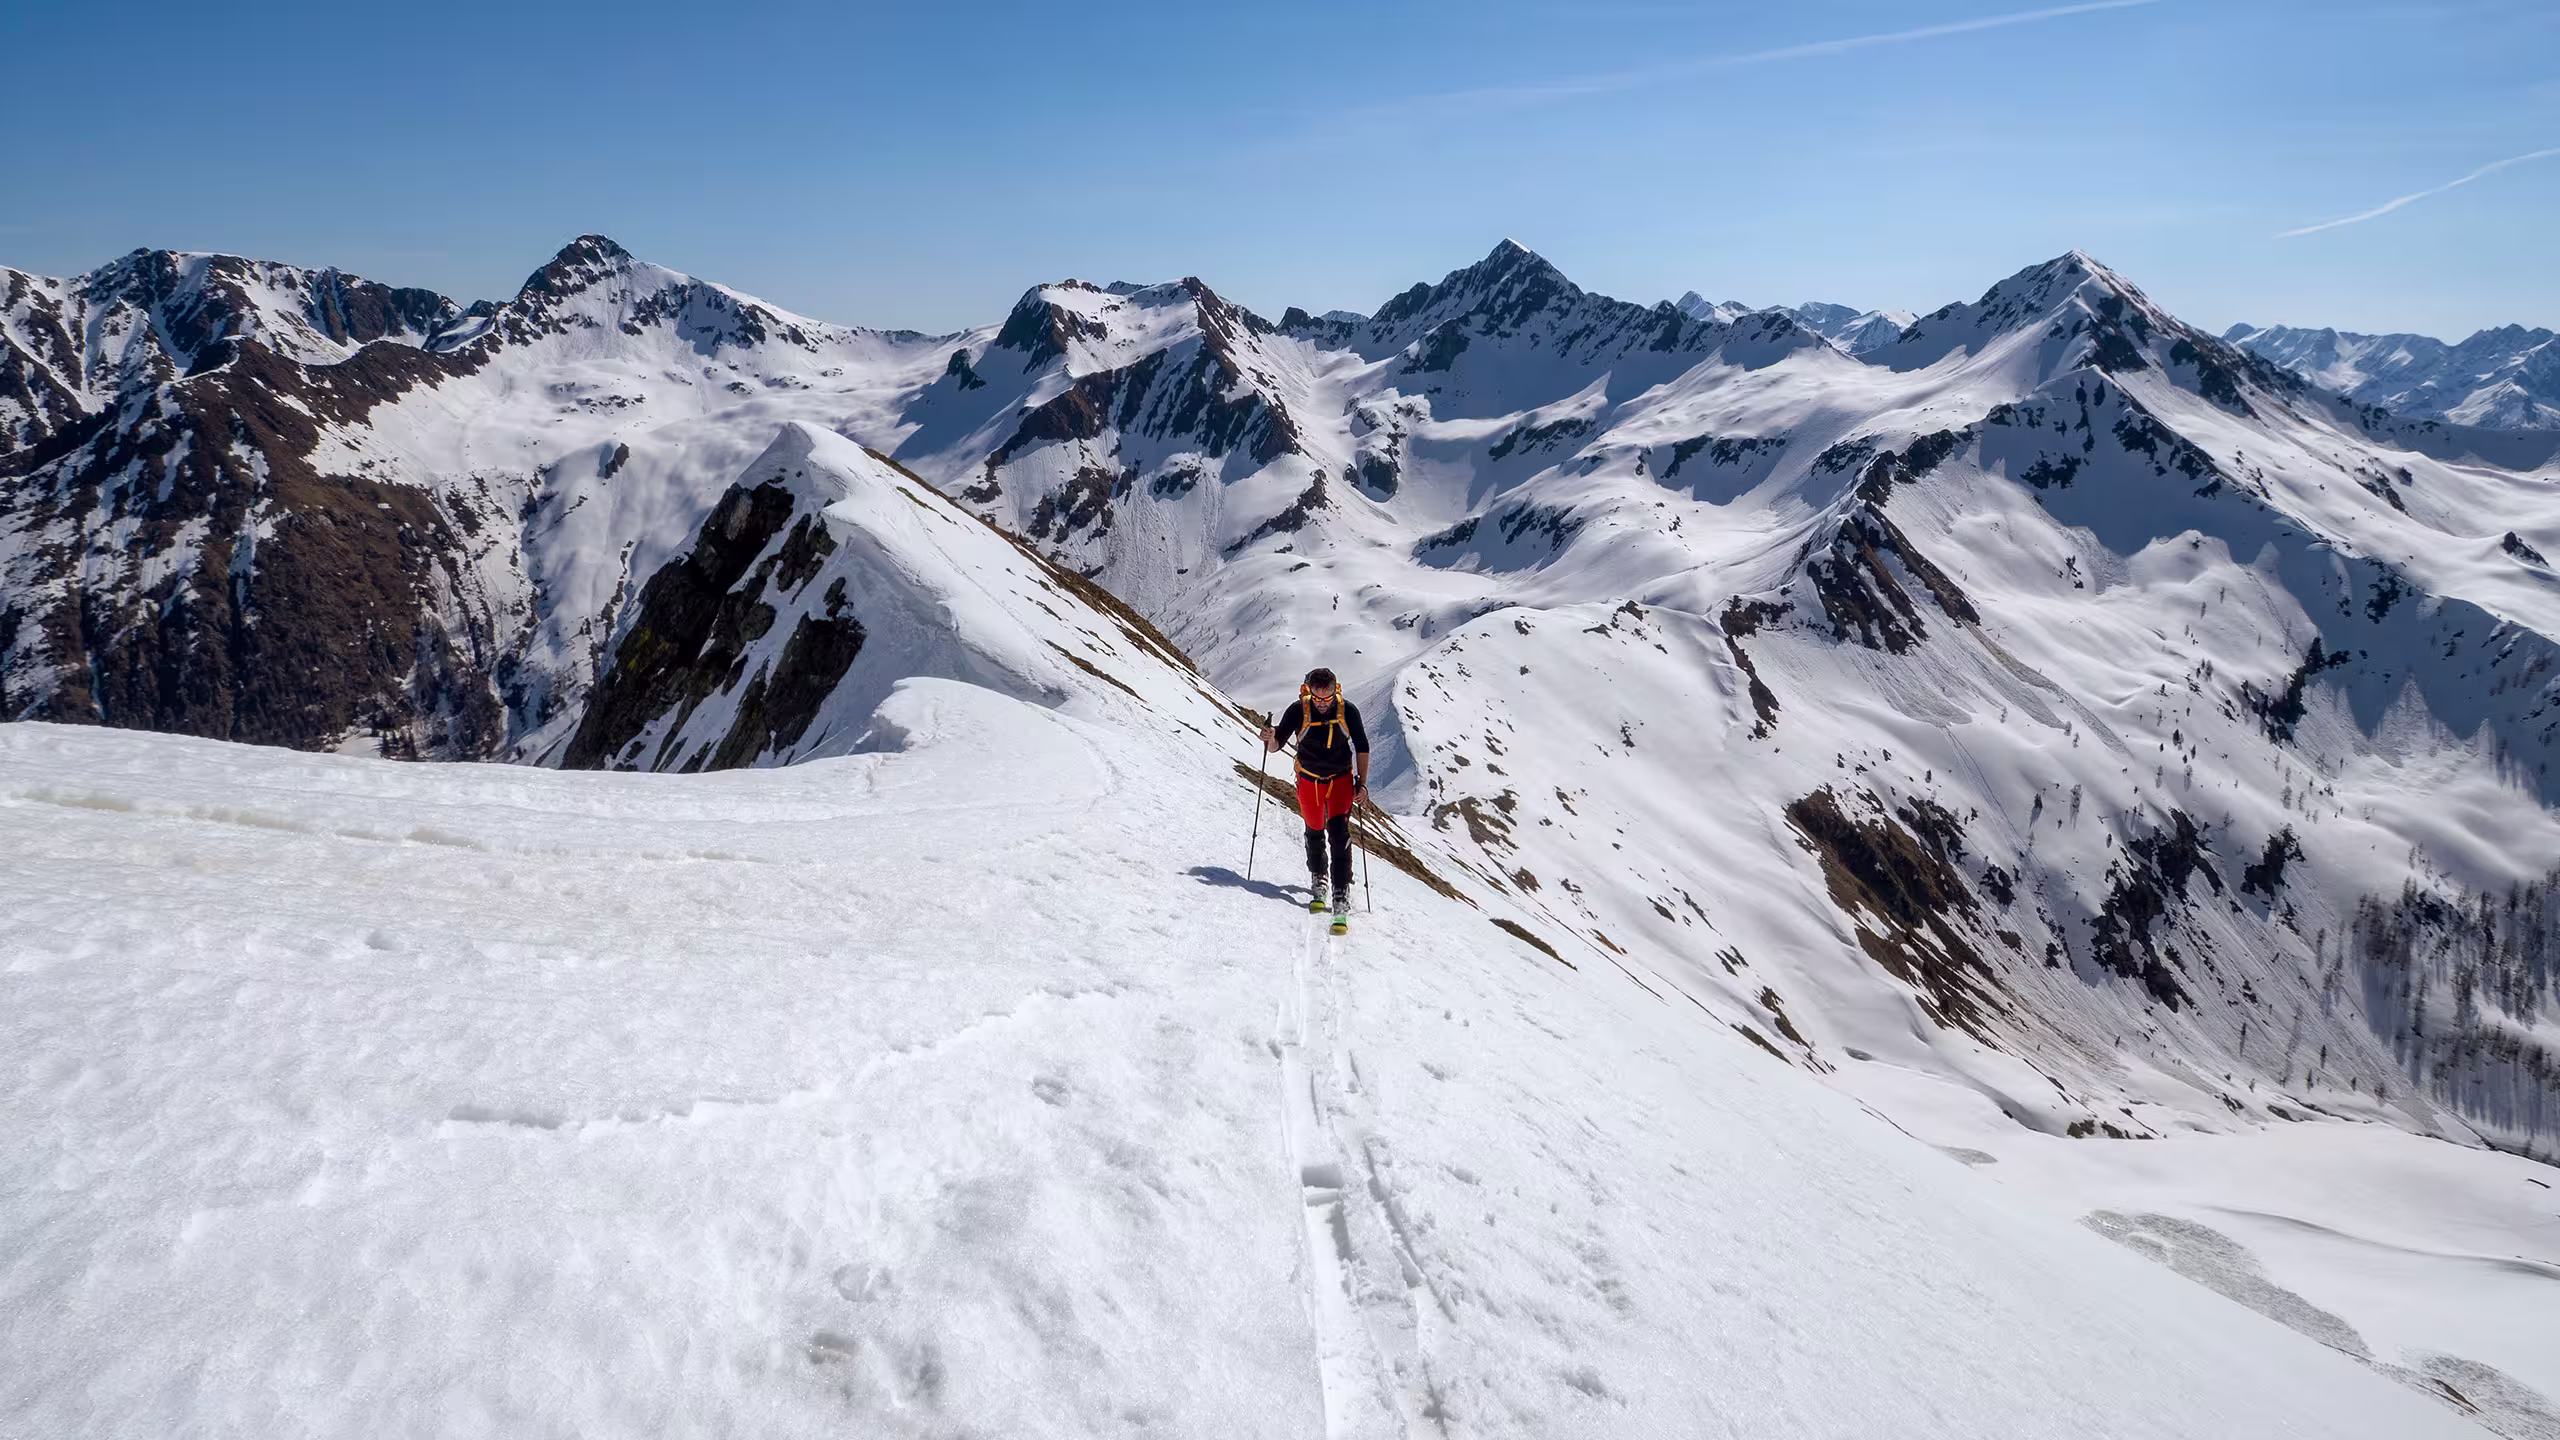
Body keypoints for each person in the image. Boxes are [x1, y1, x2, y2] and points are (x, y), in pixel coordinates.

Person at [1262, 667, 1370, 919]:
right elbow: (1277, 746)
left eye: (1328, 696)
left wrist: (1362, 783)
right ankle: (1319, 876)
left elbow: (1363, 747)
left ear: (1336, 689)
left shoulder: (1348, 711)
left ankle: (1340, 890)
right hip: (1308, 781)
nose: (1323, 702)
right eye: (1318, 696)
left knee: (1339, 833)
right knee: (1314, 830)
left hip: (1340, 781)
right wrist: (1268, 738)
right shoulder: (1298, 710)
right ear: (1308, 690)